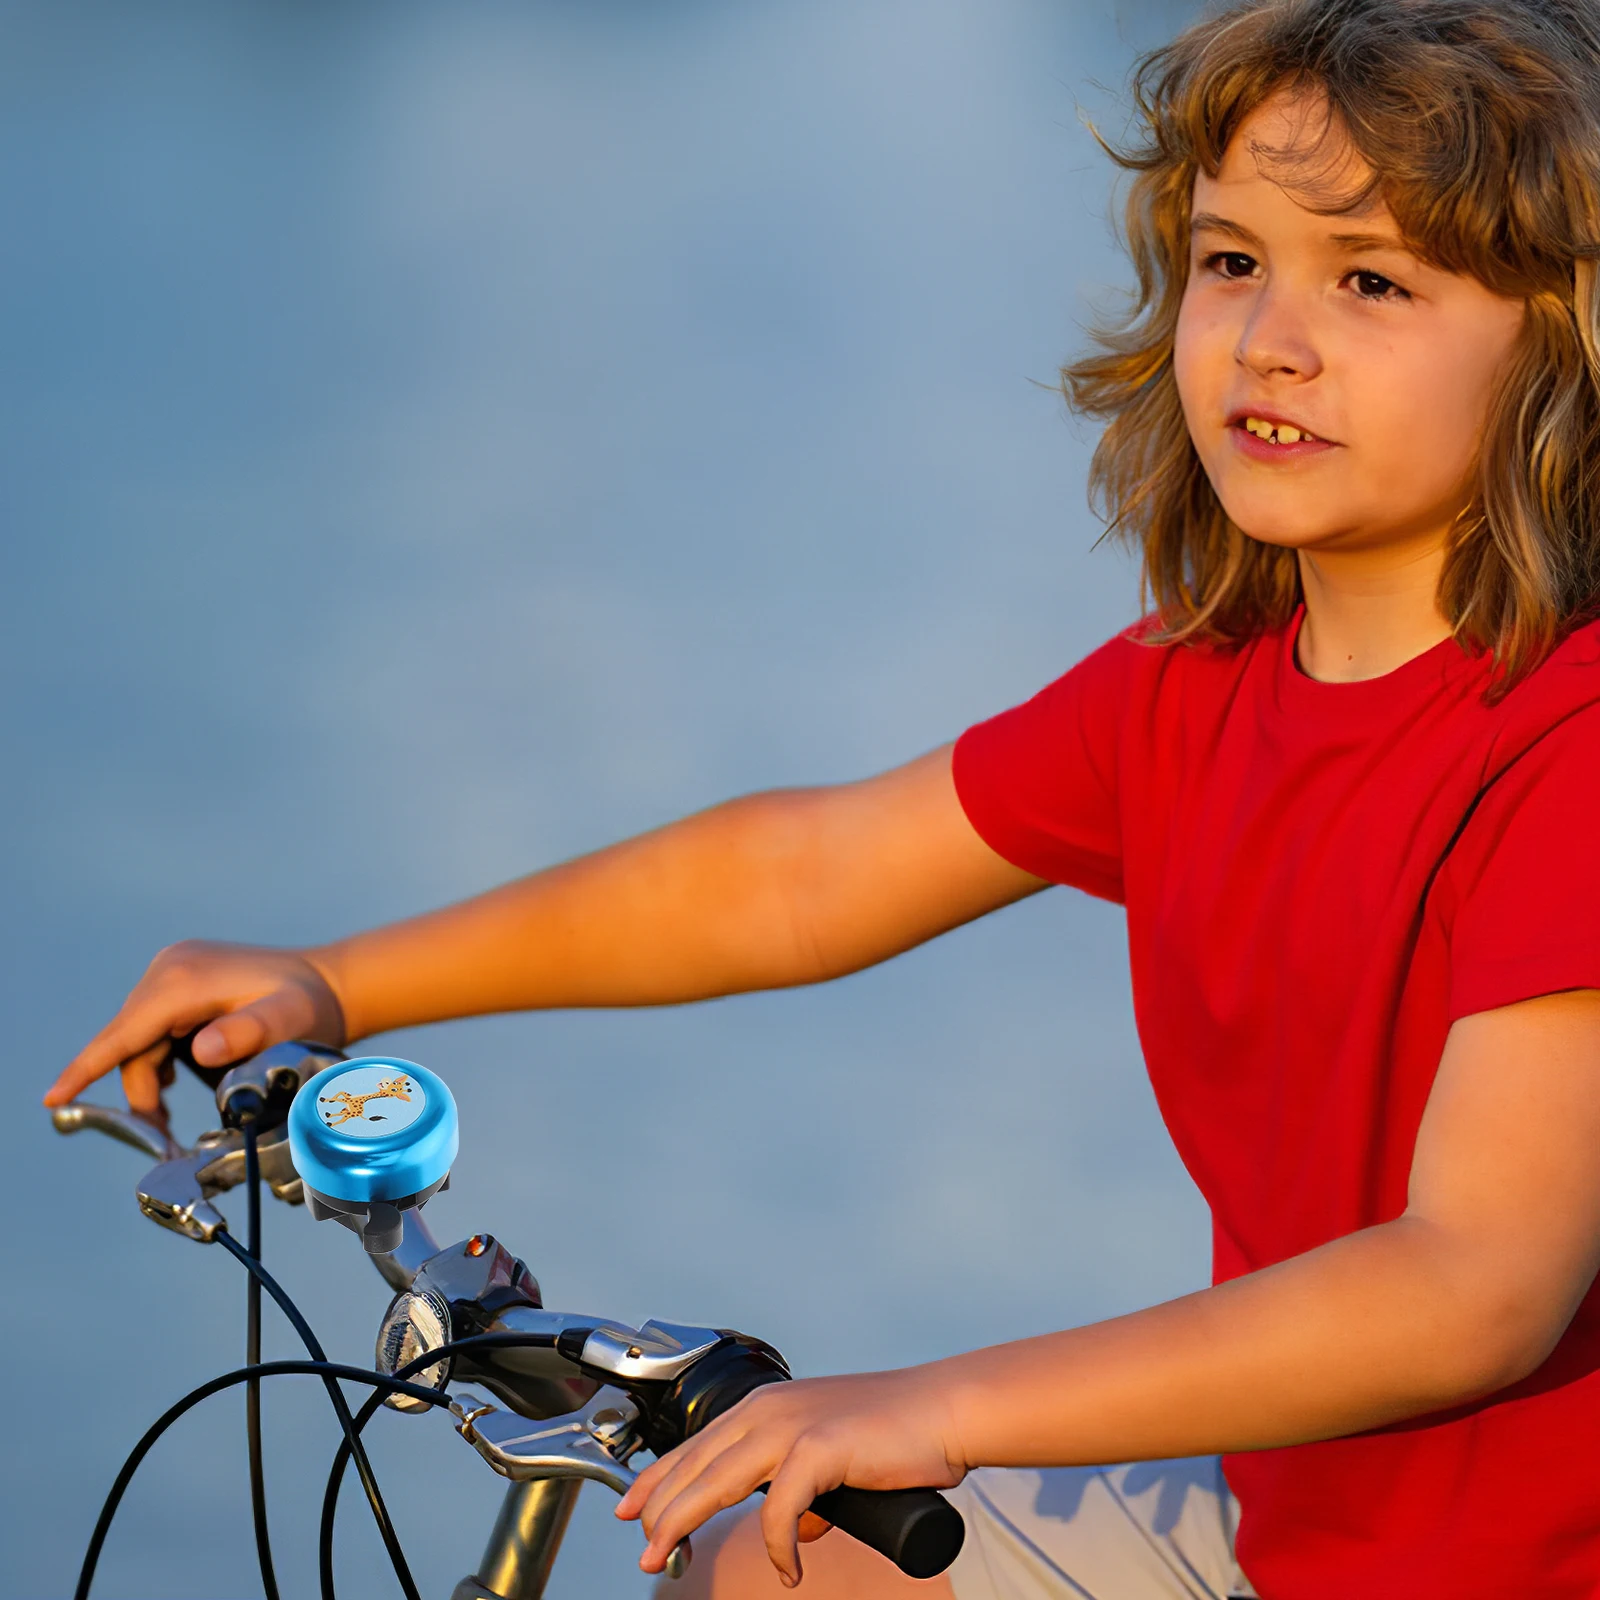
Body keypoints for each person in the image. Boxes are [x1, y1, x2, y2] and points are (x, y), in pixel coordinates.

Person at [45, 0, 1600, 1593]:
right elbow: (799, 880)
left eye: (1370, 280)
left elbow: (1473, 1285)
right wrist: (336, 981)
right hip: (1298, 1527)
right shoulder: (1190, 690)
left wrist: (939, 1405)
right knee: (760, 1561)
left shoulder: (1568, 746)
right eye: (1232, 259)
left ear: (1561, 338)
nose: (1271, 336)